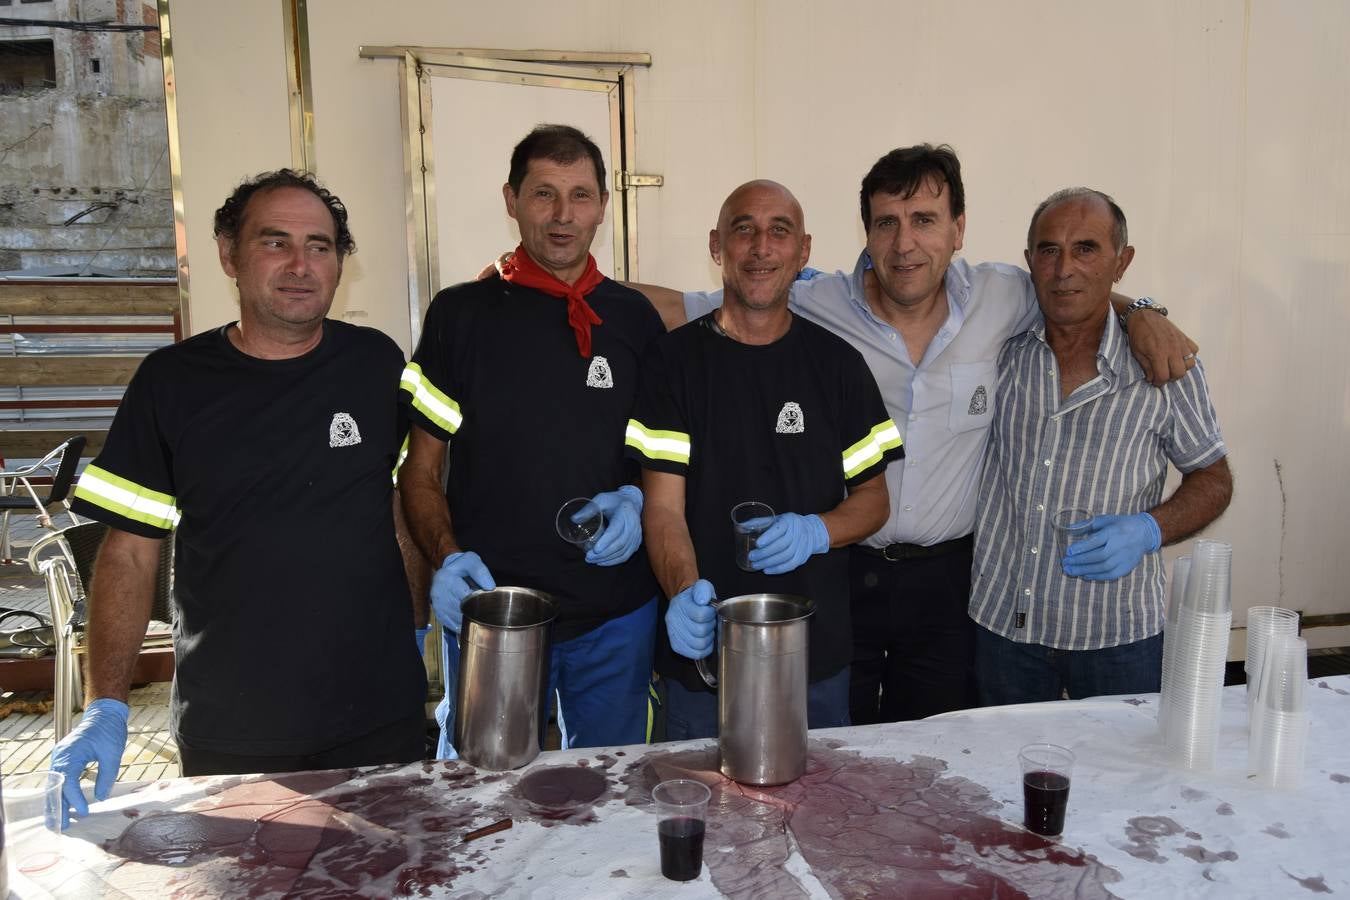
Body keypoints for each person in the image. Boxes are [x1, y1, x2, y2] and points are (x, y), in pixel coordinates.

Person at [632, 144, 1198, 724]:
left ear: (958, 229)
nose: (904, 245)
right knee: (836, 754)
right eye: (887, 224)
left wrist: (1141, 313)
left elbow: (1078, 284)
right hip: (845, 573)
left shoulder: (1005, 297)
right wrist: (570, 283)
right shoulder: (811, 300)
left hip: (947, 585)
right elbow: (685, 308)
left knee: (933, 755)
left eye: (924, 220)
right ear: (867, 234)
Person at [51, 170, 428, 821]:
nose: (301, 265)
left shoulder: (377, 363)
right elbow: (129, 554)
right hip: (237, 727)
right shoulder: (171, 384)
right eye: (275, 243)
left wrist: (420, 629)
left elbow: (400, 507)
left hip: (381, 716)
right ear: (229, 255)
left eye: (321, 245)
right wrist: (106, 702)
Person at [398, 124, 664, 755]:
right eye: (544, 194)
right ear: (511, 199)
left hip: (616, 613)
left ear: (603, 205)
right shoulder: (459, 315)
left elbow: (664, 463)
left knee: (613, 796)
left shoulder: (634, 321)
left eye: (580, 195)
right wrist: (447, 556)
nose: (563, 215)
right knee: (482, 803)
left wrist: (635, 500)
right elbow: (420, 468)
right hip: (495, 612)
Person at [626, 180, 903, 738]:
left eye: (780, 231)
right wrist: (684, 596)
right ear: (716, 246)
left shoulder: (839, 366)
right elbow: (662, 510)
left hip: (813, 663)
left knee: (818, 815)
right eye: (743, 229)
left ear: (803, 251)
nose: (760, 247)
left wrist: (816, 531)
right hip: (703, 660)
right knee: (698, 817)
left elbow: (875, 501)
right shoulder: (671, 364)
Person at [969, 188, 1232, 703]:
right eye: (1048, 250)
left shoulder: (1166, 366)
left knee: (1127, 780)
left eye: (1086, 248)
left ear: (1122, 260)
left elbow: (1215, 478)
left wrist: (1149, 529)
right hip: (1004, 630)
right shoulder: (999, 350)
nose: (1064, 268)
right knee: (998, 781)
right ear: (1030, 263)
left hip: (1119, 638)